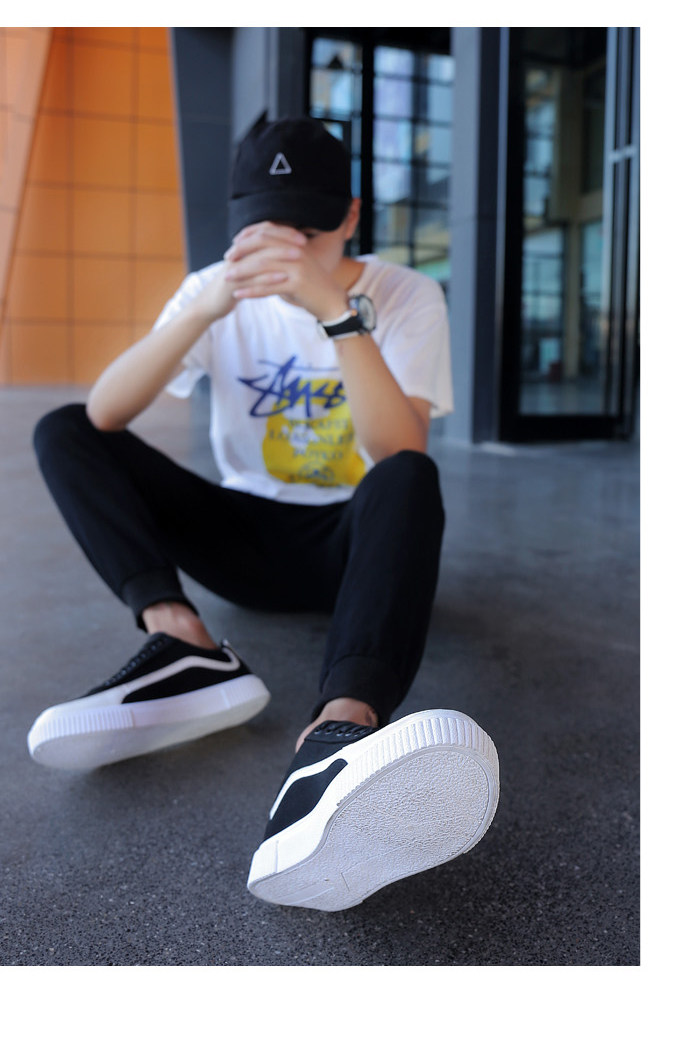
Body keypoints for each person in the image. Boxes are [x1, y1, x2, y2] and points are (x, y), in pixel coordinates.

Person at [28, 114, 499, 911]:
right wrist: (206, 306)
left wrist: (334, 311)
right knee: (65, 429)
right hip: (243, 540)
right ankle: (183, 645)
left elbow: (397, 448)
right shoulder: (215, 290)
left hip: (358, 547)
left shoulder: (405, 293)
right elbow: (105, 413)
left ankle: (338, 735)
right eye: (267, 229)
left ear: (350, 217)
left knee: (408, 478)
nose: (289, 249)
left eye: (309, 230)